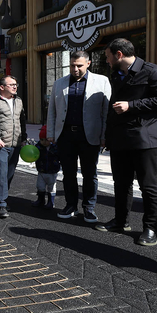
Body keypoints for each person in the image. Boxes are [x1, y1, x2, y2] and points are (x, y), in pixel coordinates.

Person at [95, 38, 157, 246]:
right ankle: (121, 221)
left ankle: (151, 229)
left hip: (146, 139)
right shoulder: (116, 74)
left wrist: (132, 105)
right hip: (120, 139)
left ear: (119, 55)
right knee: (121, 184)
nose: (106, 60)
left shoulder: (153, 71)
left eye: (107, 56)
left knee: (149, 186)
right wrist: (107, 135)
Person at [46, 50, 111, 223]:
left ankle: (89, 208)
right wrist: (51, 134)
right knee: (68, 173)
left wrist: (104, 136)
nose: (75, 69)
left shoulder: (102, 81)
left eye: (79, 65)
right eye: (72, 65)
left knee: (90, 174)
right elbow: (52, 110)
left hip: (89, 136)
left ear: (88, 64)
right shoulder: (59, 83)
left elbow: (106, 113)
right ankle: (71, 205)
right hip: (65, 136)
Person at [0, 75, 27, 219]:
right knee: (1, 173)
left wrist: (24, 138)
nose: (15, 87)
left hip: (16, 144)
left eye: (16, 84)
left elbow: (22, 120)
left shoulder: (18, 101)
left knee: (9, 174)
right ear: (2, 87)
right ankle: (1, 204)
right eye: (11, 84)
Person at [32, 125, 59, 209]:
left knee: (51, 187)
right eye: (41, 140)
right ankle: (41, 199)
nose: (43, 142)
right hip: (41, 170)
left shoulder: (55, 147)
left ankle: (51, 202)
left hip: (52, 171)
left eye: (46, 140)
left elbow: (59, 154)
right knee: (40, 186)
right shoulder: (38, 147)